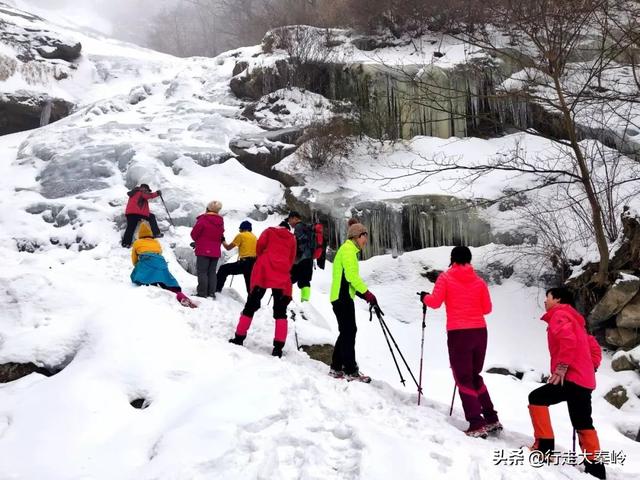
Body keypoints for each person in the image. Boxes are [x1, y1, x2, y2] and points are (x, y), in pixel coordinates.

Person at [420, 246, 500, 438]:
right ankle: (491, 418)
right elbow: (487, 309)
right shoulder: (479, 281)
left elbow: (435, 302)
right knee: (474, 375)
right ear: (469, 260)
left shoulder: (446, 278)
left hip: (459, 333)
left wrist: (424, 298)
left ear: (452, 259)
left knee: (463, 378)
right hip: (480, 332)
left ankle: (476, 422)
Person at [527, 287, 605, 479]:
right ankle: (596, 469)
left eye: (548, 297)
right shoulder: (577, 322)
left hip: (570, 378)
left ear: (559, 299)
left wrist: (562, 367)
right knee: (583, 422)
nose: (545, 301)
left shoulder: (559, 315)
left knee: (536, 398)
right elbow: (594, 348)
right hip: (584, 381)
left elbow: (567, 341)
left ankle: (544, 449)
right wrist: (589, 368)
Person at [229, 217, 297, 358]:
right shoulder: (291, 238)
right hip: (281, 273)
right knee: (280, 311)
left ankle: (239, 337)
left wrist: (266, 259)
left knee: (251, 304)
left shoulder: (268, 231)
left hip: (264, 270)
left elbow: (259, 248)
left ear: (279, 226)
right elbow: (292, 258)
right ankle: (278, 348)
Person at [329, 222, 378, 383]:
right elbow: (352, 278)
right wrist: (367, 293)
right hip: (342, 298)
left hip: (340, 297)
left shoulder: (347, 250)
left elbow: (349, 280)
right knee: (349, 332)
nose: (366, 241)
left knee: (346, 331)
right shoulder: (348, 250)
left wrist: (366, 296)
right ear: (357, 236)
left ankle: (336, 368)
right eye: (365, 237)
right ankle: (350, 371)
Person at [130, 222, 197, 308]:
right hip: (161, 263)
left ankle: (151, 283)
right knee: (168, 284)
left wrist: (138, 267)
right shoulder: (156, 242)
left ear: (140, 234)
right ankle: (181, 296)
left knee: (142, 278)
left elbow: (134, 258)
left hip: (147, 263)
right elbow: (159, 253)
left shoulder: (137, 242)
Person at [191, 200, 224, 299]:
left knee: (202, 271)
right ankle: (211, 292)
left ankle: (202, 293)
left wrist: (198, 241)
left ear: (207, 209)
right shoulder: (220, 221)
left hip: (203, 250)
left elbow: (194, 234)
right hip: (216, 251)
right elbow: (220, 235)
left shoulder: (203, 219)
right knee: (212, 272)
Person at [216, 220, 257, 294]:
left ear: (242, 228)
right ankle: (252, 303)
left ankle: (217, 290)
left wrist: (223, 240)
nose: (239, 230)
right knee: (249, 285)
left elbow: (228, 248)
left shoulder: (241, 235)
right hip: (254, 263)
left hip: (244, 263)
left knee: (223, 269)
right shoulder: (254, 237)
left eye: (240, 228)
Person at [122, 184, 162, 248]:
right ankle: (156, 233)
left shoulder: (134, 192)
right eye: (147, 190)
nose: (148, 192)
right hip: (138, 213)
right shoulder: (140, 192)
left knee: (130, 228)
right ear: (144, 188)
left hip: (130, 213)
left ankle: (126, 243)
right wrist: (157, 193)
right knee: (151, 217)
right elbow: (148, 196)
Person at [288, 211, 316, 302]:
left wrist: (293, 258)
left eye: (290, 220)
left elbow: (298, 244)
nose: (289, 222)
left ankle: (286, 298)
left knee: (288, 279)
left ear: (294, 218)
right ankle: (305, 301)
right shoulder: (308, 227)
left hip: (300, 259)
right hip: (309, 259)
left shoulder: (298, 227)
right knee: (305, 281)